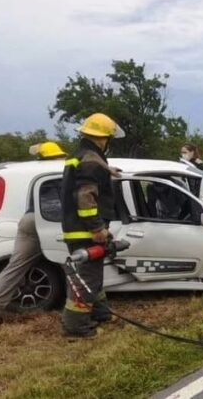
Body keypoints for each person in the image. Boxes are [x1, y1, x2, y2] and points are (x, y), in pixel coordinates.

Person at [0, 142, 67, 327]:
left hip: (29, 221)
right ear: (56, 156)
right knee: (75, 263)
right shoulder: (61, 171)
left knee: (15, 267)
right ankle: (84, 309)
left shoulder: (34, 172)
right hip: (52, 221)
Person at [61, 113, 124, 338]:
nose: (108, 142)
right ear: (101, 138)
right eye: (108, 138)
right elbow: (85, 197)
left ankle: (101, 314)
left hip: (77, 227)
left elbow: (86, 181)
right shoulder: (90, 160)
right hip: (84, 230)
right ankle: (75, 328)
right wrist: (97, 228)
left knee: (94, 276)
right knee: (87, 278)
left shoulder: (83, 156)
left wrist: (108, 171)